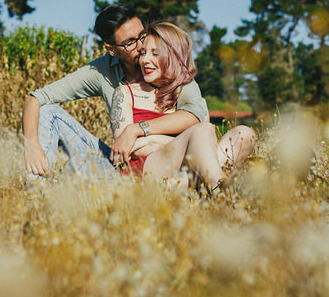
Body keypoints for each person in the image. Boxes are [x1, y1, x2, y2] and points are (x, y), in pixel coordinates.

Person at [22, 4, 209, 180]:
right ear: (111, 49)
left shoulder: (170, 66)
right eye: (130, 43)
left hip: (169, 160)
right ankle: (34, 193)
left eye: (142, 36)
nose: (140, 46)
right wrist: (31, 144)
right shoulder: (101, 71)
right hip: (123, 162)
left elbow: (196, 114)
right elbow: (36, 98)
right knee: (49, 114)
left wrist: (135, 130)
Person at [110, 22, 257, 193]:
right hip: (147, 168)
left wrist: (156, 139)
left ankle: (185, 186)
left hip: (184, 170)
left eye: (155, 54)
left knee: (245, 134)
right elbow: (127, 150)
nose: (145, 60)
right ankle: (220, 189)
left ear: (173, 56)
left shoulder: (188, 93)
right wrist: (191, 143)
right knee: (202, 131)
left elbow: (207, 141)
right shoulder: (124, 93)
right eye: (143, 53)